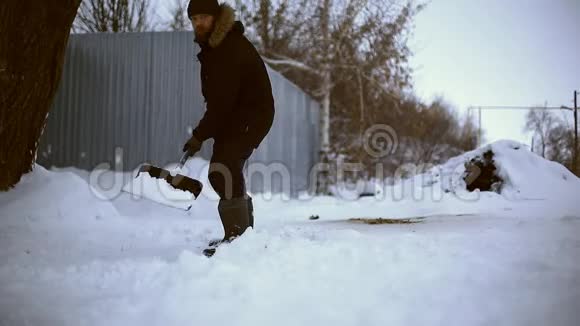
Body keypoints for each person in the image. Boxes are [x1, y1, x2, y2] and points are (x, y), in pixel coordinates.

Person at [183, 0, 275, 257]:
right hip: (236, 116)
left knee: (223, 169)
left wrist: (199, 136)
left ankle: (239, 238)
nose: (198, 23)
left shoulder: (228, 48)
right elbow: (220, 102)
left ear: (215, 18)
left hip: (250, 116)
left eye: (203, 17)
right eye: (194, 19)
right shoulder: (215, 47)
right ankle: (243, 238)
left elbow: (221, 103)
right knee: (227, 169)